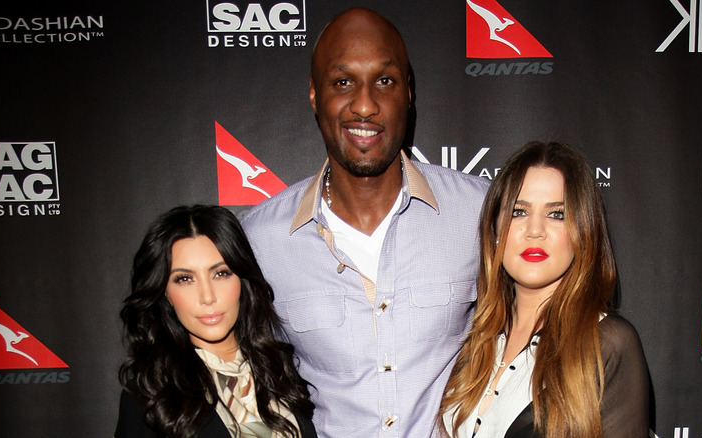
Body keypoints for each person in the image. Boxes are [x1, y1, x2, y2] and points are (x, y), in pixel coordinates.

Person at [240, 8, 489, 438]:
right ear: (315, 95)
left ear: (408, 93)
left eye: (385, 81)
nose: (365, 105)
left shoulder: (480, 211)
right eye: (342, 82)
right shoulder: (260, 240)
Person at [439, 141, 650, 438]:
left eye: (557, 214)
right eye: (519, 211)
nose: (535, 229)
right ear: (495, 229)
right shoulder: (472, 338)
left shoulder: (607, 344)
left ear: (584, 232)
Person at [114, 205, 317, 438]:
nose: (208, 296)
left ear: (242, 279)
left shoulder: (280, 369)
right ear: (165, 292)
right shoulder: (151, 395)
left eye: (220, 273)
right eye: (185, 279)